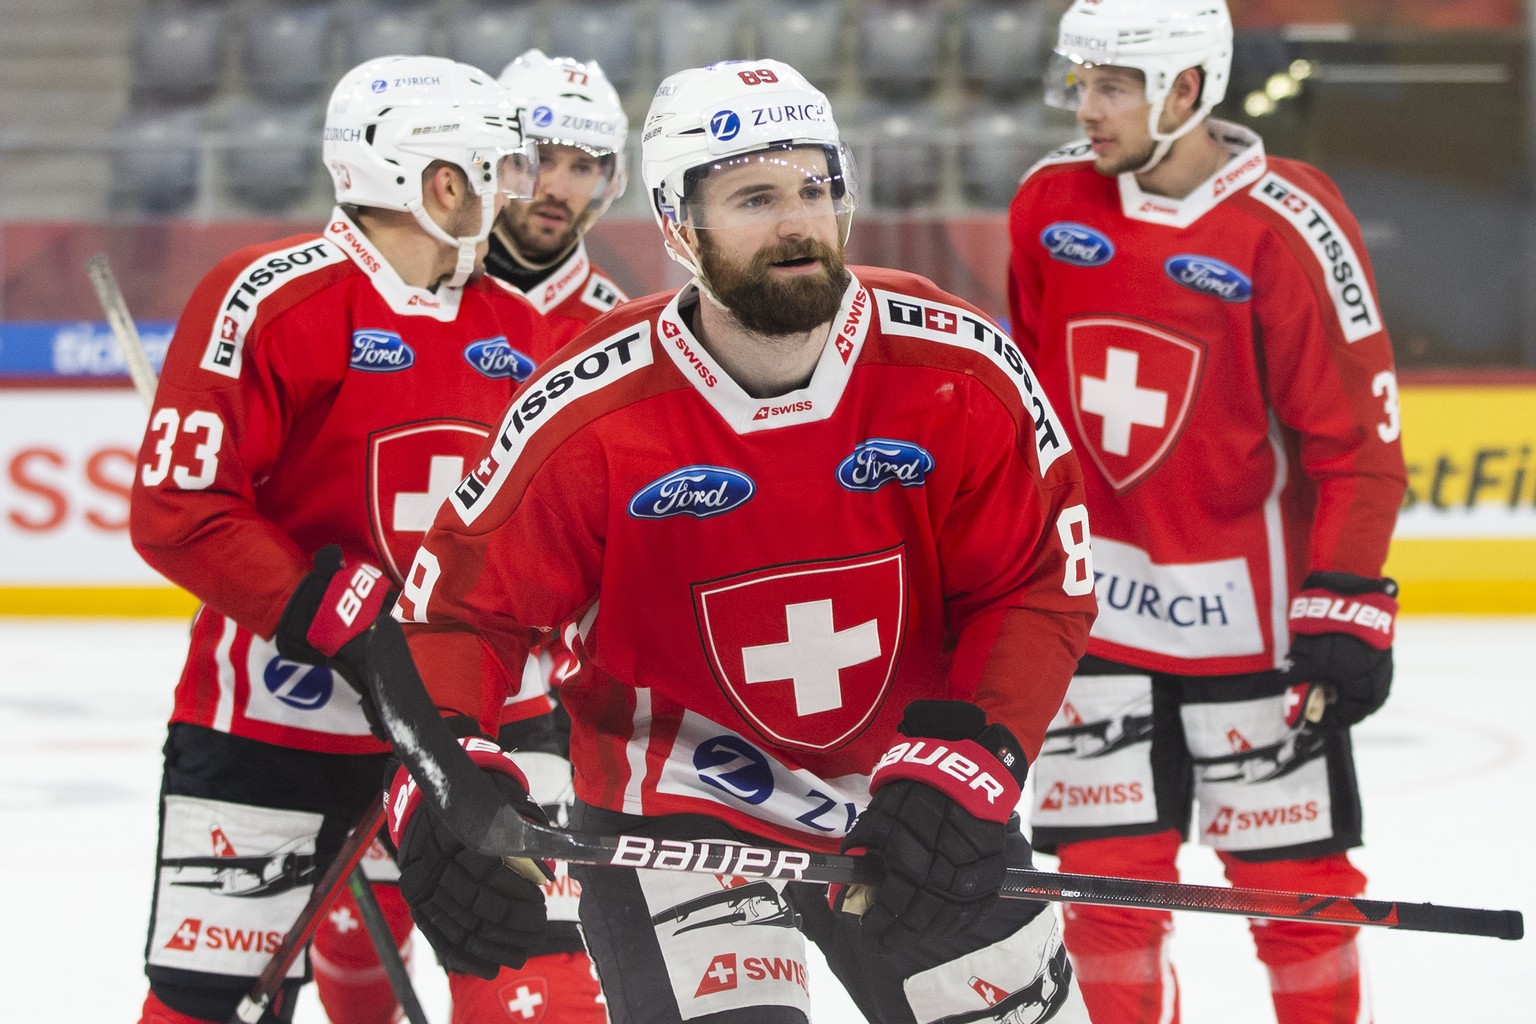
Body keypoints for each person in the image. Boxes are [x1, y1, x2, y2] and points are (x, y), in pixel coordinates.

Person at [375, 59, 1101, 1024]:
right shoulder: (587, 407)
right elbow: (455, 613)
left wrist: (971, 764)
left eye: (815, 187)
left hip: (906, 796)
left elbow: (1035, 582)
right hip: (673, 810)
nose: (798, 220)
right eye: (755, 196)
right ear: (679, 225)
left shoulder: (956, 367)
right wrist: (444, 782)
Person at [1006, 2, 1408, 1023]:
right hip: (1094, 616)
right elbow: (1031, 411)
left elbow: (1358, 439)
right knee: (1106, 898)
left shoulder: (1289, 221)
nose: (1083, 106)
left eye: (1112, 86)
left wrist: (1348, 594)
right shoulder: (1048, 200)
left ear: (1185, 89)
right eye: (1079, 81)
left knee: (1297, 899)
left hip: (1256, 626)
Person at [128, 54, 545, 1024]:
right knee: (210, 1008)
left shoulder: (521, 329)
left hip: (470, 725)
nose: (502, 193)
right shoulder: (268, 298)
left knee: (532, 984)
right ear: (436, 180)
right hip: (271, 726)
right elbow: (180, 506)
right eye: (487, 169)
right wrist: (347, 615)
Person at [486, 48, 632, 355]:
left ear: (609, 180)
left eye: (582, 168)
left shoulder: (618, 332)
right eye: (540, 160)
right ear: (495, 161)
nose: (559, 191)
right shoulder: (426, 289)